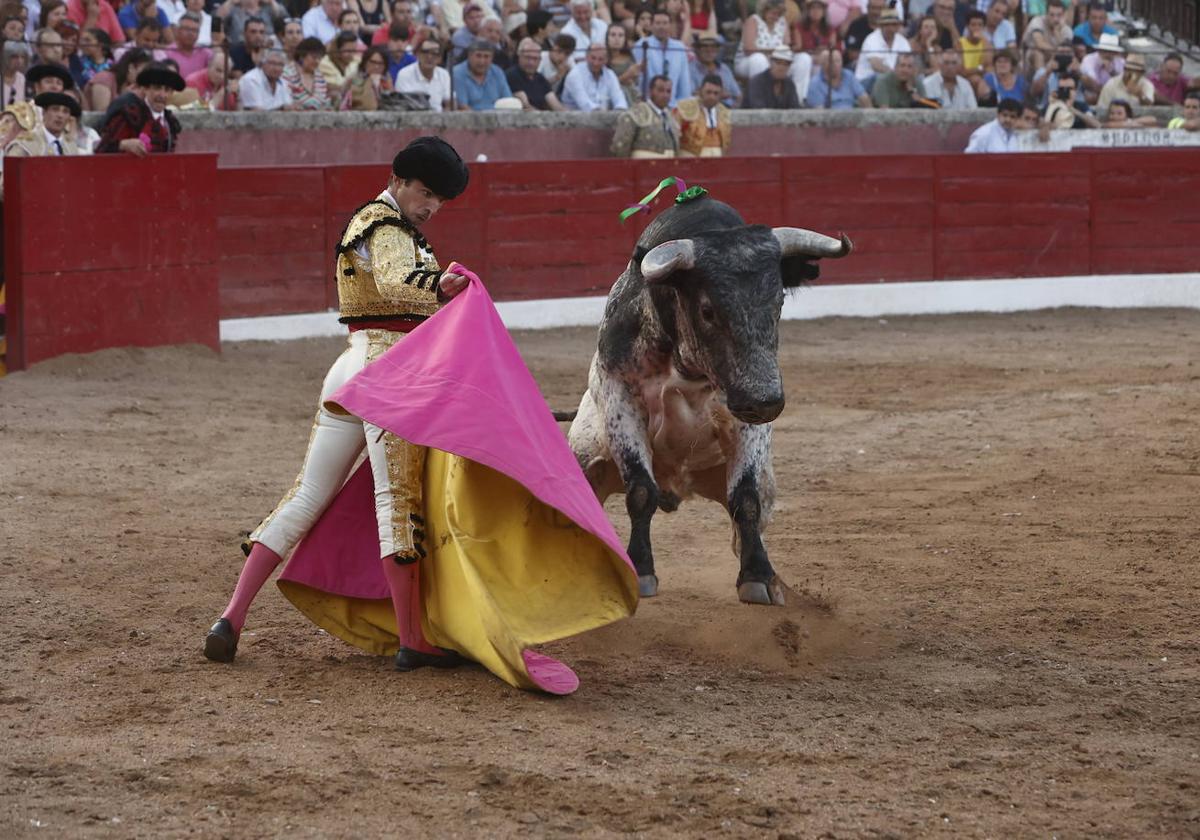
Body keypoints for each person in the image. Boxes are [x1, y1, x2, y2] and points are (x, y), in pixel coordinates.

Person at [203, 136, 473, 671]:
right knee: (396, 499)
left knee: (307, 496)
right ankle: (413, 638)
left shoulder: (371, 223)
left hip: (350, 363)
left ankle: (231, 617)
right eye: (424, 193)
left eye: (439, 200)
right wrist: (439, 287)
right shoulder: (389, 228)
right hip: (388, 370)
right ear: (397, 180)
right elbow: (401, 282)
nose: (431, 206)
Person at [96, 62, 183, 154]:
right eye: (157, 88)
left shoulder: (170, 122)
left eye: (167, 90)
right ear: (145, 89)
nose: (162, 95)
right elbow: (102, 148)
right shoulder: (129, 116)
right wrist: (123, 144)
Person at [632, 8, 691, 106]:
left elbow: (684, 81)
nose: (661, 27)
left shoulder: (679, 47)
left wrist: (682, 105)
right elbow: (638, 79)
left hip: (673, 105)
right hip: (647, 105)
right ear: (651, 26)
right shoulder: (641, 45)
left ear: (670, 25)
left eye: (665, 23)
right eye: (658, 23)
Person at [610, 73, 678, 157]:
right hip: (641, 167)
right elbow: (621, 147)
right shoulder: (636, 113)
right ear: (650, 91)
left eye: (668, 91)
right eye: (660, 90)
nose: (665, 95)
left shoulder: (671, 117)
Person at [4, 90, 79, 155]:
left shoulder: (71, 147)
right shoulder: (24, 145)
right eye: (55, 109)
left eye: (65, 112)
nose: (60, 115)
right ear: (44, 112)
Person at [673, 72, 730, 156]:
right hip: (690, 158)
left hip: (717, 159)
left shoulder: (724, 112)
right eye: (708, 92)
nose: (712, 97)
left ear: (721, 94)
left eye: (716, 93)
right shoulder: (684, 108)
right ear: (700, 91)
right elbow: (674, 135)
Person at [560, 40, 625, 110]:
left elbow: (619, 99)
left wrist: (620, 110)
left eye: (600, 59)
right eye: (593, 58)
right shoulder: (575, 74)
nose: (596, 63)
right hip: (574, 118)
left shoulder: (610, 74)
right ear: (586, 56)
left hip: (603, 116)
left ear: (606, 60)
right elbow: (585, 104)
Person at [855, 6, 909, 88]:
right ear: (881, 26)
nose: (890, 28)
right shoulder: (871, 39)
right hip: (866, 82)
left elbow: (909, 61)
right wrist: (896, 75)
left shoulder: (903, 41)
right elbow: (876, 65)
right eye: (887, 24)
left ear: (898, 26)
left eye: (894, 24)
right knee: (880, 78)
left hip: (893, 79)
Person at [394, 34, 450, 110]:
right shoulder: (404, 74)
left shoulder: (444, 74)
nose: (429, 57)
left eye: (434, 53)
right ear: (417, 55)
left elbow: (449, 104)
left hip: (439, 119)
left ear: (440, 58)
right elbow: (403, 107)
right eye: (425, 52)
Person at [506, 35, 564, 109]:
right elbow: (526, 107)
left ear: (540, 60)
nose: (531, 63)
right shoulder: (511, 76)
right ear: (519, 57)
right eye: (527, 58)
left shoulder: (540, 79)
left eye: (535, 59)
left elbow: (555, 104)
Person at [451, 39, 510, 109]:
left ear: (492, 58)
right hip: (469, 118)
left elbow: (507, 100)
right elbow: (462, 107)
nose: (482, 61)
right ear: (469, 56)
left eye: (486, 56)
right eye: (478, 56)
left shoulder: (497, 72)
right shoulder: (457, 73)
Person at [807, 46, 871, 108]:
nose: (835, 64)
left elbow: (864, 97)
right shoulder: (815, 83)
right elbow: (819, 112)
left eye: (838, 61)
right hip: (829, 117)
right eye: (831, 61)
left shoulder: (849, 75)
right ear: (823, 64)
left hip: (853, 115)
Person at [1038, 71, 1097, 135]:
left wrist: (1073, 110)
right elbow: (1040, 123)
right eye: (1062, 89)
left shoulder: (1081, 106)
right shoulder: (1050, 106)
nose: (1066, 92)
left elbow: (1096, 125)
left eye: (1070, 89)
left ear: (1076, 91)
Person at [688, 33, 738, 107]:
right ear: (697, 49)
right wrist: (720, 94)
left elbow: (737, 95)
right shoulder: (690, 69)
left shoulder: (725, 69)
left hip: (727, 110)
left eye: (714, 46)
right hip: (701, 111)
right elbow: (690, 94)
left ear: (718, 50)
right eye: (704, 46)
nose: (709, 50)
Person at [1021, 0, 1071, 74]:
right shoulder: (1037, 21)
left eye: (1059, 15)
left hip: (1052, 57)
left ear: (1063, 15)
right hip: (1028, 58)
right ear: (1046, 14)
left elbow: (1066, 50)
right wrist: (1057, 50)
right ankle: (1041, 80)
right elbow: (1039, 43)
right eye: (1052, 15)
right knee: (1038, 53)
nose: (1055, 19)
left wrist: (1057, 32)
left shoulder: (1066, 30)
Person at [1096, 51, 1152, 117]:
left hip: (1138, 121)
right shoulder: (1111, 84)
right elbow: (1102, 110)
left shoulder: (1147, 85)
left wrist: (1140, 95)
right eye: (1128, 69)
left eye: (1135, 71)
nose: (1130, 73)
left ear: (1141, 73)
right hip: (1115, 120)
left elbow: (1149, 108)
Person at [283, 36, 331, 108]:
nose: (317, 61)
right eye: (314, 57)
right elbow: (285, 101)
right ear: (302, 56)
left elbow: (323, 102)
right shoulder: (288, 73)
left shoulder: (320, 77)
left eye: (320, 58)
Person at [340, 43, 391, 108]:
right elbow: (365, 105)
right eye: (373, 62)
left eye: (380, 63)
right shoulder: (355, 78)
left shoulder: (387, 78)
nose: (376, 66)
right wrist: (371, 83)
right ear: (365, 62)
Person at [1079, 31, 1122, 105]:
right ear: (1099, 50)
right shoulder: (1089, 59)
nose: (1108, 54)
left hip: (1114, 95)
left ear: (1115, 53)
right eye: (1105, 51)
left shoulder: (1120, 62)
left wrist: (1111, 72)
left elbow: (1122, 84)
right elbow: (1091, 80)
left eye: (1111, 51)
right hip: (1092, 93)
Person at [164, 12, 211, 77]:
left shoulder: (206, 54)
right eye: (186, 29)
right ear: (178, 31)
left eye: (194, 30)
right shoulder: (167, 53)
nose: (190, 33)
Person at [605, 21, 639, 106]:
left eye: (620, 35)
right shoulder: (602, 58)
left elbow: (635, 82)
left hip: (631, 96)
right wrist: (626, 76)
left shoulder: (630, 57)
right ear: (607, 38)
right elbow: (603, 85)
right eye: (613, 35)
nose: (617, 38)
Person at [319, 30, 360, 97]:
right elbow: (332, 87)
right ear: (337, 49)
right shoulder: (324, 63)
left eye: (354, 50)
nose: (352, 55)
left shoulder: (357, 61)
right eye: (348, 51)